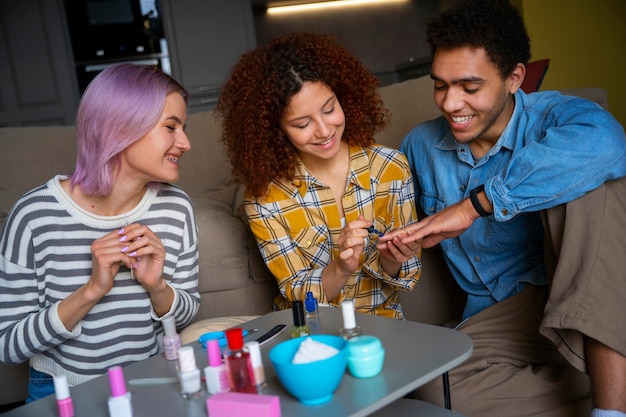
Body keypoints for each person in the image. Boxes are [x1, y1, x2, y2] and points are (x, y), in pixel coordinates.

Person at [378, 1, 626, 416]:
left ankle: (610, 410)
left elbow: (606, 144)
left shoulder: (555, 118)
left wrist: (475, 205)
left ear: (514, 78)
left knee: (592, 183)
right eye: (440, 85)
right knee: (437, 390)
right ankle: (605, 381)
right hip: (500, 315)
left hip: (574, 285)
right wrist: (396, 251)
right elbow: (398, 255)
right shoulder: (420, 147)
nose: (451, 103)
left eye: (469, 88)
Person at [0, 63, 200, 402]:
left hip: (151, 380)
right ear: (121, 127)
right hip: (61, 393)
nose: (186, 142)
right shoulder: (33, 216)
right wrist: (92, 291)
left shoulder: (176, 208)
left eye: (183, 127)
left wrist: (157, 286)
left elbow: (187, 312)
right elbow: (8, 345)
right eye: (171, 126)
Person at [216, 31, 421, 319]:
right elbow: (294, 290)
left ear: (344, 98)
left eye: (329, 109)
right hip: (312, 334)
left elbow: (406, 275)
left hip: (385, 327)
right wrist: (340, 267)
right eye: (302, 124)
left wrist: (391, 257)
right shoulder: (265, 199)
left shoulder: (391, 168)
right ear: (275, 131)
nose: (324, 131)